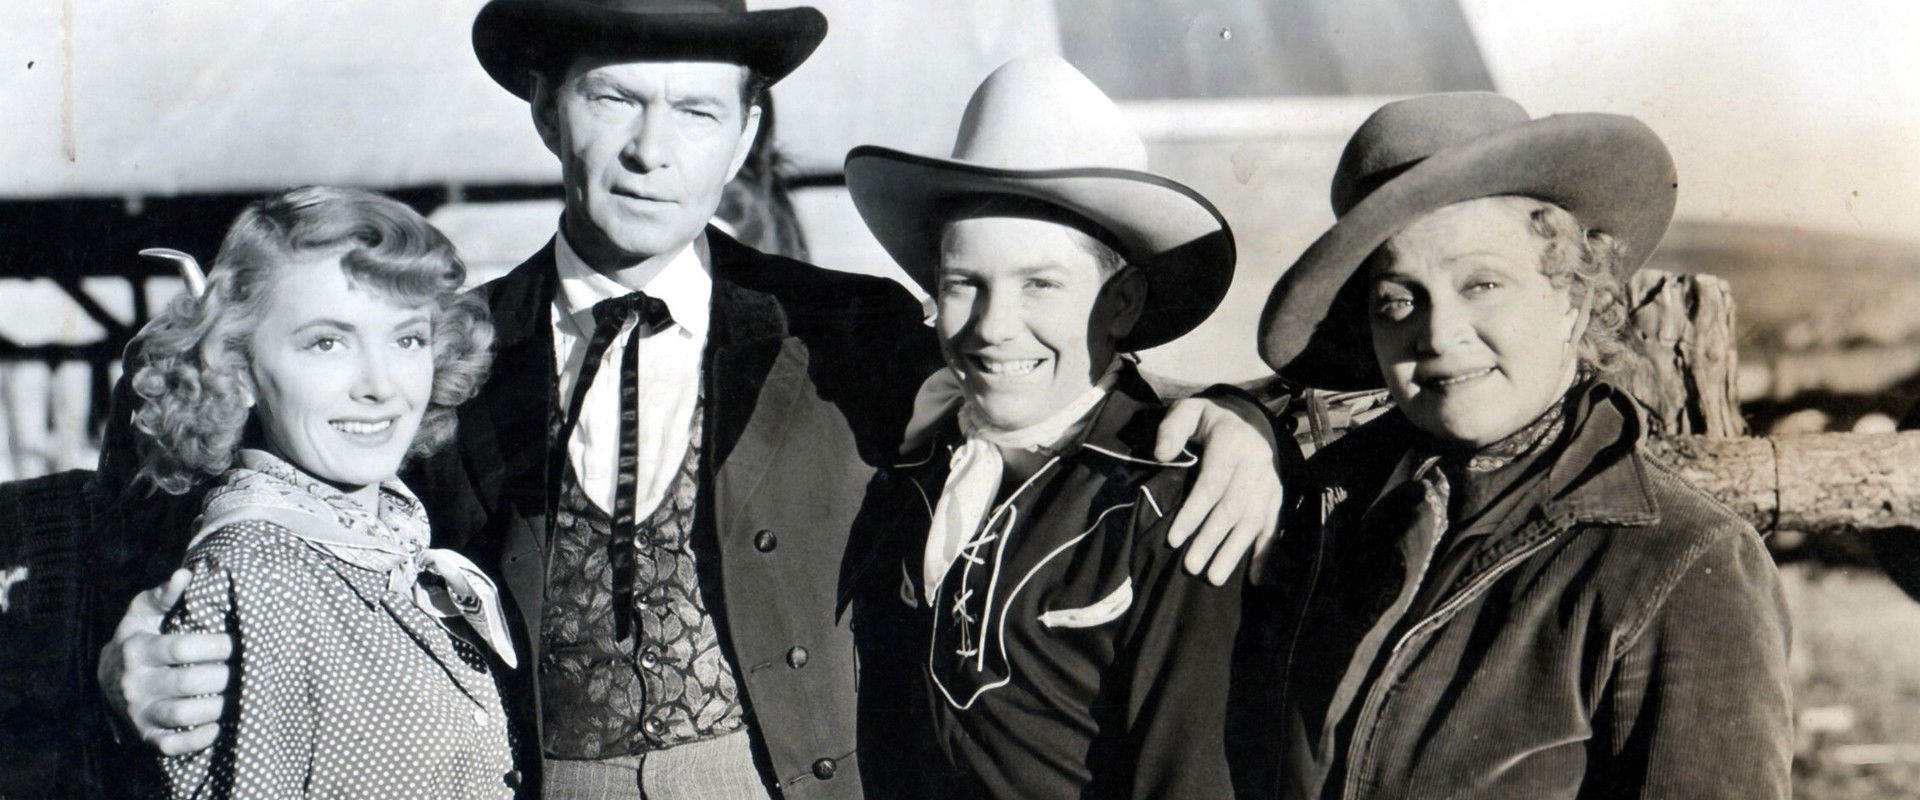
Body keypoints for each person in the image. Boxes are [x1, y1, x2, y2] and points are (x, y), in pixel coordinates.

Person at [96, 1, 1286, 797]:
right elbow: (233, 481)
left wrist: (1241, 420)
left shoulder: (854, 328)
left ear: (747, 133)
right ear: (546, 106)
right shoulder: (444, 351)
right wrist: (134, 658)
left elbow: (1041, 384)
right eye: (616, 99)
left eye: (699, 110)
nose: (652, 151)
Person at [1257, 93, 1793, 799]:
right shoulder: (1328, 512)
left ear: (1571, 296)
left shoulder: (1680, 560)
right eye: (1397, 300)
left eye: (1482, 284)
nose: (1439, 334)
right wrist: (1239, 420)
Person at [844, 57, 1277, 799]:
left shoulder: (1174, 500)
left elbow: (1190, 771)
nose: (993, 327)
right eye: (963, 285)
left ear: (1123, 301)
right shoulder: (911, 455)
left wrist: (1251, 422)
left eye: (1040, 284)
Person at [126, 186, 510, 796]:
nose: (380, 385)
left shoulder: (384, 535)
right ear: (238, 369)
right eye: (327, 343)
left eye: (406, 339)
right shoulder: (258, 575)